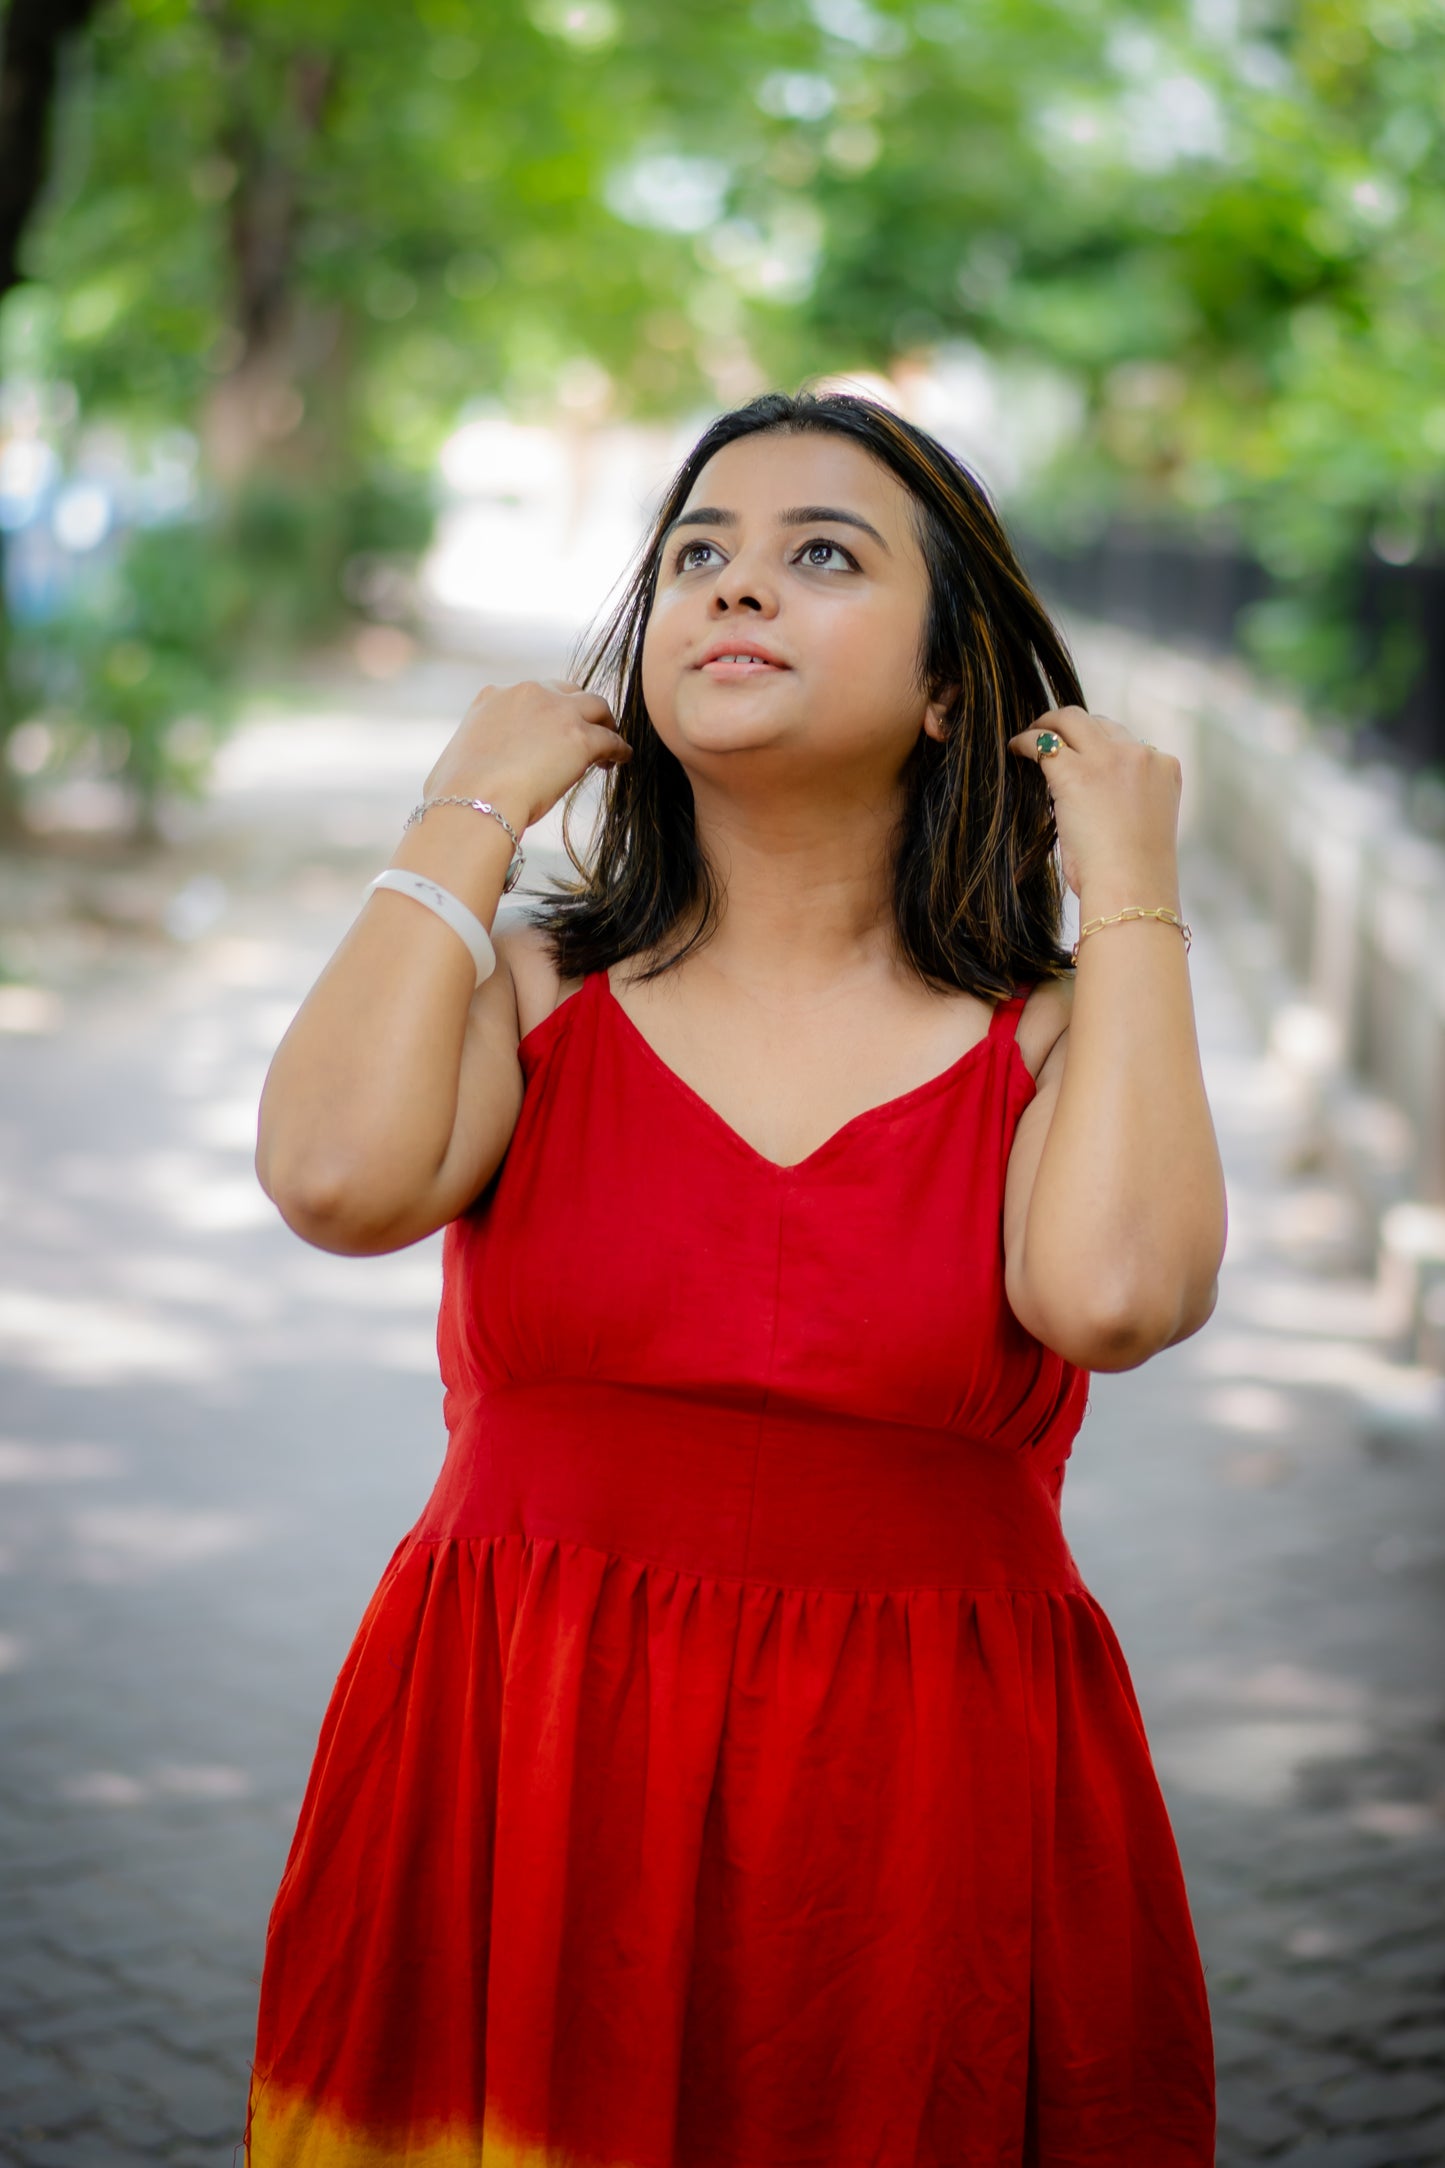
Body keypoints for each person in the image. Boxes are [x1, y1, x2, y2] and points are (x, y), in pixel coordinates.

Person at [244, 388, 1227, 2168]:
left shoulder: (1058, 1038)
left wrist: (1133, 899)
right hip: (519, 1756)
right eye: (696, 554)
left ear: (950, 687)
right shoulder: (530, 989)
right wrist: (468, 811)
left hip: (924, 1799)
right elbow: (332, 1180)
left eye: (819, 556)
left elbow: (1118, 1298)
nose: (733, 590)